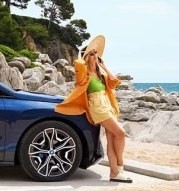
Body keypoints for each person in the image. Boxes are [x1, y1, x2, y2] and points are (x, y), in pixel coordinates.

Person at [55, 35, 132, 182]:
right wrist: (81, 54)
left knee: (111, 138)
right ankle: (120, 164)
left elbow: (114, 82)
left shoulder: (100, 73)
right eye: (91, 53)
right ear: (86, 57)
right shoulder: (85, 74)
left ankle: (114, 173)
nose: (95, 55)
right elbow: (78, 64)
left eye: (96, 53)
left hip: (108, 105)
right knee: (121, 133)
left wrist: (103, 66)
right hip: (97, 107)